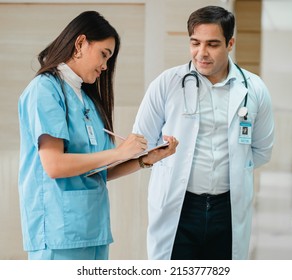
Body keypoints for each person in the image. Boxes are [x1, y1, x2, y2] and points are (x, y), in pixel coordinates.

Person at [18, 10, 178, 260]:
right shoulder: (44, 90)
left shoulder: (88, 101)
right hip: (58, 231)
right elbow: (54, 165)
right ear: (80, 43)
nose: (105, 66)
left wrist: (146, 159)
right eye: (104, 55)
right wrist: (118, 152)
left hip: (93, 228)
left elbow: (100, 170)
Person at [133, 5, 274, 260]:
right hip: (179, 206)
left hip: (226, 209)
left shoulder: (254, 89)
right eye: (195, 43)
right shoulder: (167, 83)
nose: (202, 53)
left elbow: (262, 150)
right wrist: (160, 155)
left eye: (212, 44)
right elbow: (139, 141)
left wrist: (237, 166)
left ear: (230, 43)